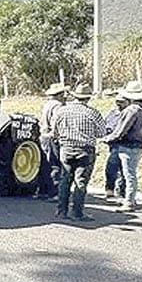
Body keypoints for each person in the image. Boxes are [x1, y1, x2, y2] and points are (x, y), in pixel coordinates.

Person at [52, 84, 106, 221]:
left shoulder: (61, 111)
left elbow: (55, 131)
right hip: (85, 149)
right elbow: (101, 133)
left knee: (65, 180)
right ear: (88, 98)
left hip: (66, 148)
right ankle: (77, 212)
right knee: (80, 181)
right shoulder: (93, 113)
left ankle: (61, 211)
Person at [102, 81, 142, 212]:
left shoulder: (132, 110)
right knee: (130, 172)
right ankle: (129, 198)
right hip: (140, 144)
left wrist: (108, 139)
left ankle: (129, 201)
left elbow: (121, 130)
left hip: (128, 144)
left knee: (128, 174)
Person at [38, 83, 68, 201]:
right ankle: (53, 192)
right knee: (55, 164)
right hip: (52, 136)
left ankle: (42, 190)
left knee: (45, 164)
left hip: (44, 136)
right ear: (60, 95)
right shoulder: (58, 106)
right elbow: (57, 122)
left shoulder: (47, 104)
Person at [103, 94, 129, 200]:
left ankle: (122, 192)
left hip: (125, 143)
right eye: (117, 101)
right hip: (114, 145)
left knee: (125, 170)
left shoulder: (129, 113)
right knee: (111, 167)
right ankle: (110, 190)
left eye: (122, 101)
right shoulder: (113, 113)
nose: (119, 104)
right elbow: (106, 126)